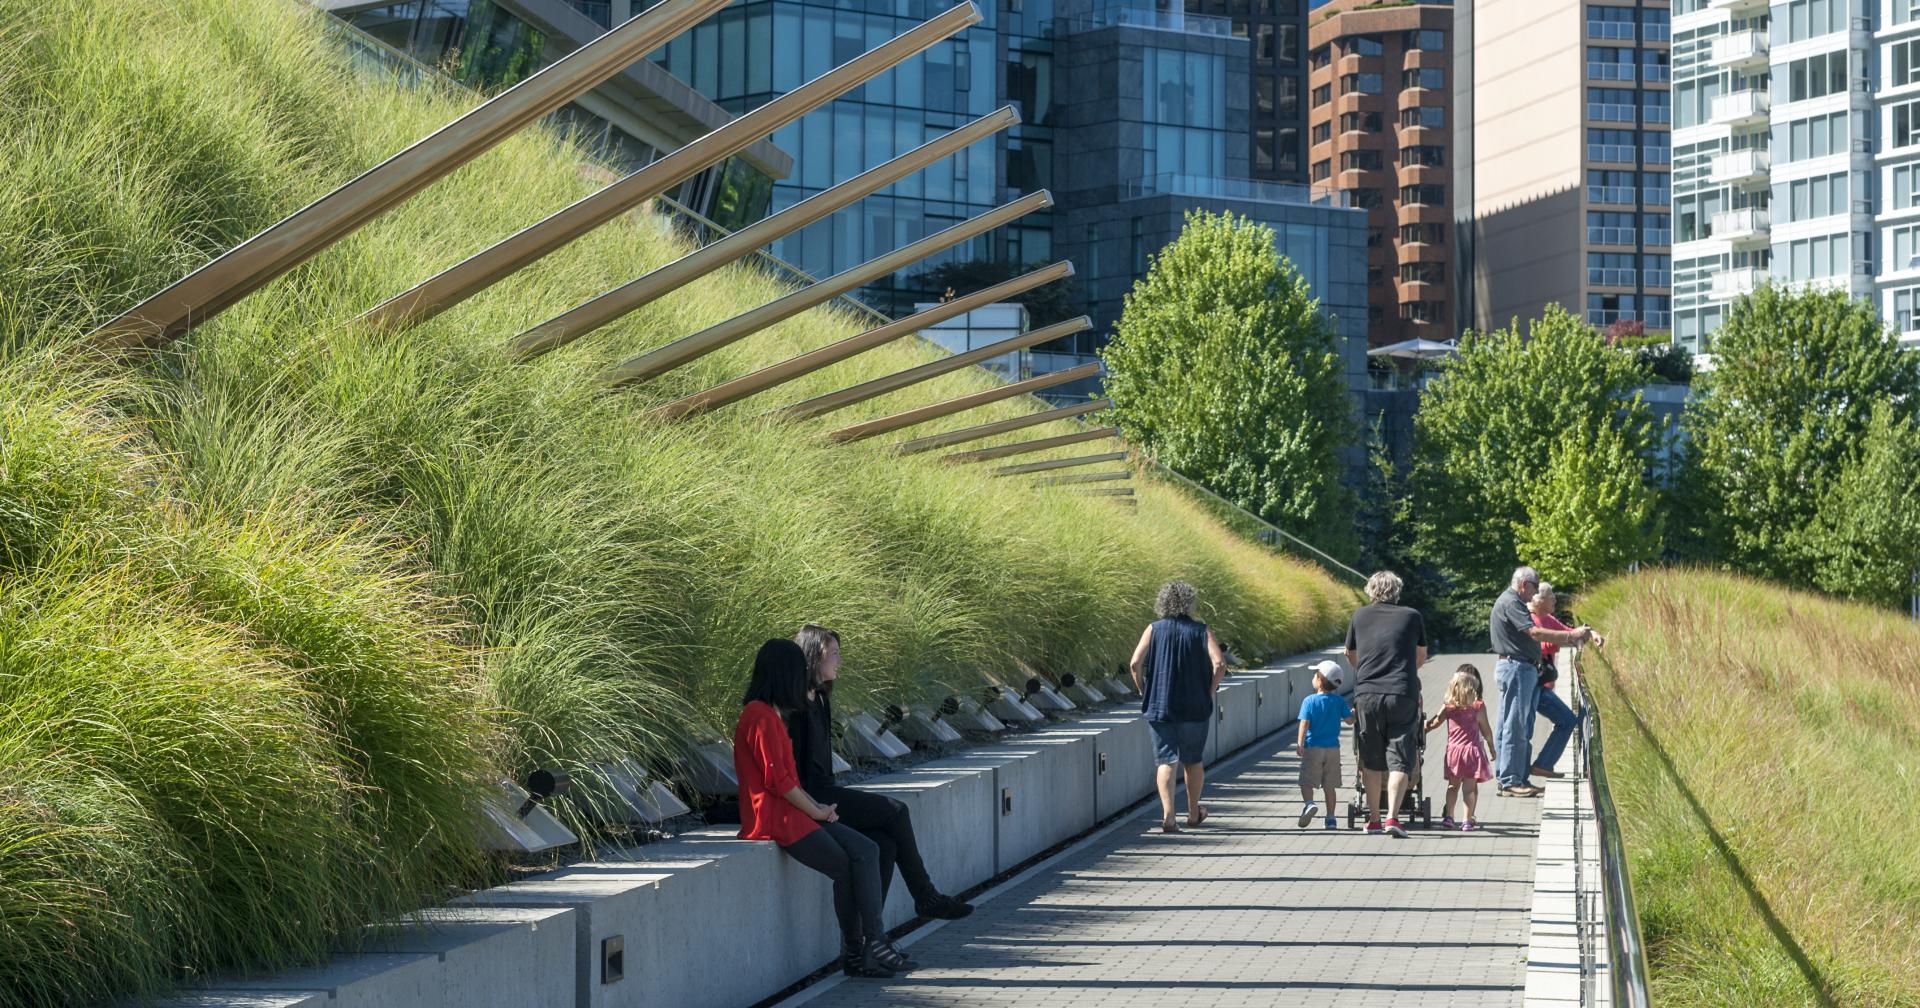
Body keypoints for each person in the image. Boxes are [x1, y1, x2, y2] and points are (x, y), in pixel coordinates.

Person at [733, 639, 914, 978]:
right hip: (774, 817)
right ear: (783, 673)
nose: (803, 677)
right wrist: (815, 812)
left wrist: (817, 806)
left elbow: (788, 780)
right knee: (847, 867)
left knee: (868, 849)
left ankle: (866, 947)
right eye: (798, 671)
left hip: (793, 809)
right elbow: (779, 783)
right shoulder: (758, 715)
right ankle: (867, 946)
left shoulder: (772, 714)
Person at [787, 625, 973, 920]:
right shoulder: (793, 706)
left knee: (884, 845)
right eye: (834, 653)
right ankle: (925, 896)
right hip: (811, 797)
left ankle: (872, 940)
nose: (839, 660)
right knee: (896, 811)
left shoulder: (820, 698)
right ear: (813, 656)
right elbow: (790, 773)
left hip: (826, 790)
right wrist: (814, 807)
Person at [1129, 580, 1229, 834]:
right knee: (1192, 761)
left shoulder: (1153, 629)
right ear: (1189, 602)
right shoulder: (1200, 631)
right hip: (1195, 705)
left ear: (1163, 602)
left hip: (1160, 705)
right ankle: (1194, 813)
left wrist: (1143, 689)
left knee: (1166, 760)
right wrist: (1210, 690)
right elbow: (1219, 663)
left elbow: (1134, 663)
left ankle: (1168, 816)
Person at [1489, 567, 1595, 797]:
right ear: (1524, 584)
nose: (1535, 593)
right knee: (1515, 726)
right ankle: (1510, 780)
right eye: (1535, 587)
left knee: (1513, 725)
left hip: (1518, 668)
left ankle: (1512, 778)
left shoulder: (1510, 601)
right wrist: (1570, 637)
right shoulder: (1512, 602)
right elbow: (1535, 633)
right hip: (1517, 668)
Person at [1343, 570, 1427, 838]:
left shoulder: (1359, 616)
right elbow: (1421, 655)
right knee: (1401, 757)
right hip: (1402, 692)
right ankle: (1393, 817)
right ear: (1397, 591)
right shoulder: (1413, 616)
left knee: (1370, 757)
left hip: (1367, 694)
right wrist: (1403, 674)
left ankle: (1375, 820)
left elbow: (1350, 654)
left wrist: (1366, 673)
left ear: (1371, 591)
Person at [1526, 582, 1601, 781]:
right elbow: (1538, 646)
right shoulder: (1529, 620)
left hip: (1541, 685)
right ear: (1539, 600)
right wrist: (1561, 640)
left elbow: (1570, 631)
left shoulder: (1547, 619)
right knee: (1534, 727)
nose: (1555, 600)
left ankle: (1543, 764)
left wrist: (1591, 634)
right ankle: (1531, 769)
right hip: (1532, 684)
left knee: (1566, 720)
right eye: (1551, 597)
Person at [1424, 665, 1494, 831]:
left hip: (1454, 753)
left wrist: (1424, 728)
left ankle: (1449, 817)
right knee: (1469, 789)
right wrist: (1492, 748)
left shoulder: (1448, 706)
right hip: (1471, 753)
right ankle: (1467, 820)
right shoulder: (1478, 707)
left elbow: (1435, 723)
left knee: (1452, 786)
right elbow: (1487, 731)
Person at [1294, 659, 1354, 831]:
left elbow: (1304, 724)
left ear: (1319, 681)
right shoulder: (1339, 701)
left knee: (1306, 781)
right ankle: (1331, 818)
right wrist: (1354, 713)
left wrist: (1300, 744)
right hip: (1332, 749)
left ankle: (1309, 804)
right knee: (1330, 785)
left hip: (1313, 748)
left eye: (1315, 675)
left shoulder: (1309, 701)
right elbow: (1350, 721)